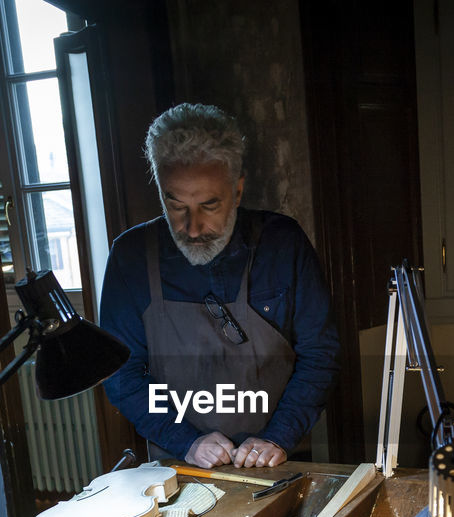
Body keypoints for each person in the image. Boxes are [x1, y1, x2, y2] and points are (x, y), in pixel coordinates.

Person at [99, 103, 339, 468]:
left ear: (238, 191)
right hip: (179, 466)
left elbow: (320, 354)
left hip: (282, 461)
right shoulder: (130, 257)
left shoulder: (282, 244)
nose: (191, 228)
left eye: (209, 205)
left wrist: (278, 436)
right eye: (174, 204)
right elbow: (121, 375)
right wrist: (185, 441)